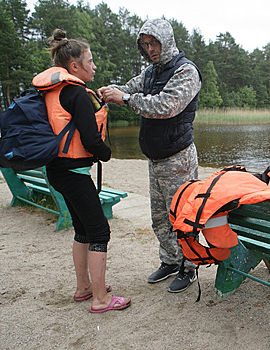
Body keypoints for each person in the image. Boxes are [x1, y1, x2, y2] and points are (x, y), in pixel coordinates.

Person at [98, 19, 202, 293]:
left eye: (154, 42)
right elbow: (128, 89)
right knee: (159, 218)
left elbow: (166, 105)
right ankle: (170, 260)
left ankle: (189, 268)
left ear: (166, 40)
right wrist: (111, 92)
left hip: (178, 158)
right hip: (155, 159)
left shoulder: (186, 71)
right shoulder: (150, 72)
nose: (150, 48)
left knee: (182, 216)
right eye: (145, 44)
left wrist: (124, 99)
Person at [33, 29, 131, 313]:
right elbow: (90, 140)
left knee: (82, 230)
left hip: (56, 171)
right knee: (100, 232)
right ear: (74, 66)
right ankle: (101, 299)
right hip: (74, 175)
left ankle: (84, 287)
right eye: (90, 61)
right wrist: (107, 154)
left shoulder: (53, 91)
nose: (94, 66)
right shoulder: (76, 93)